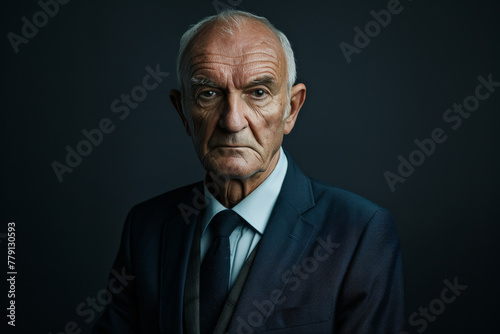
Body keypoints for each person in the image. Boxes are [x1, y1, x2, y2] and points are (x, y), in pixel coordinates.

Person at [92, 9, 404, 334]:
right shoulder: (145, 227)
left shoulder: (358, 233)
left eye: (258, 93)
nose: (232, 120)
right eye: (208, 93)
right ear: (182, 111)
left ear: (291, 109)